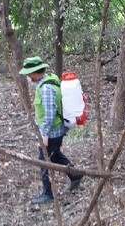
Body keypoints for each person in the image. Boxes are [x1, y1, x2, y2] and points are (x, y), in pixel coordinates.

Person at [18, 57, 82, 204]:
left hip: (52, 131)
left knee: (44, 161)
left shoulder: (45, 88)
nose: (28, 77)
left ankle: (48, 193)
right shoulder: (50, 79)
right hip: (56, 129)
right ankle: (75, 175)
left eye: (29, 74)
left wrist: (44, 135)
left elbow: (49, 113)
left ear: (34, 73)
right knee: (56, 156)